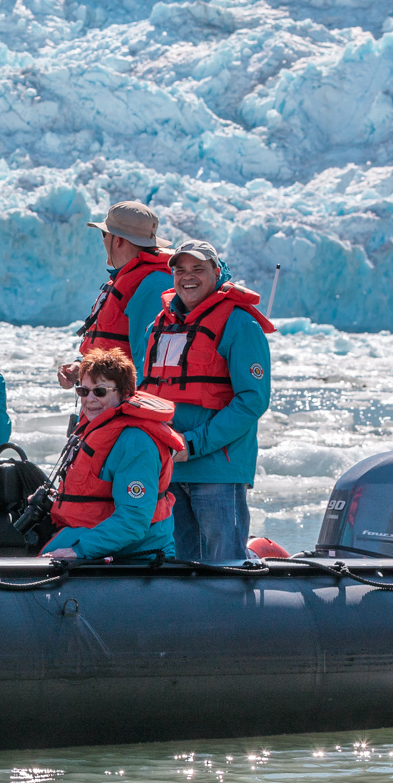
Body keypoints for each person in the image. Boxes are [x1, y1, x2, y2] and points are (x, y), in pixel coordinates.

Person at [141, 240, 275, 562]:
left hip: (217, 471)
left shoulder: (241, 325)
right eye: (180, 270)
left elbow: (252, 401)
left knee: (224, 567)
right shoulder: (159, 327)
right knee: (179, 569)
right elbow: (144, 394)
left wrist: (194, 444)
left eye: (198, 269)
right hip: (169, 469)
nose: (188, 277)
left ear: (217, 272)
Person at [42, 348, 181, 561]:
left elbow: (133, 520)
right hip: (92, 528)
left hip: (137, 549)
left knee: (44, 559)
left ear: (124, 393)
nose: (90, 399)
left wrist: (78, 550)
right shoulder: (97, 426)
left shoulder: (136, 443)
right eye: (83, 391)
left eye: (100, 391)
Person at [60, 200, 174, 389]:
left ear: (118, 239)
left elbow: (146, 364)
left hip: (120, 406)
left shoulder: (152, 285)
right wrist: (81, 366)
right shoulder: (134, 278)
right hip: (105, 398)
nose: (103, 240)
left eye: (104, 234)